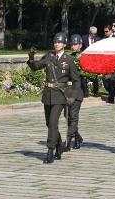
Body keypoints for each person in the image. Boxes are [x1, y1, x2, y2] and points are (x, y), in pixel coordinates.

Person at [27, 32, 80, 164]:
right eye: (55, 42)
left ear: (64, 44)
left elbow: (76, 80)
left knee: (52, 123)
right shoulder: (49, 57)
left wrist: (73, 96)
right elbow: (35, 67)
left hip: (60, 96)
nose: (57, 44)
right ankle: (58, 146)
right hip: (48, 95)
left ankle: (50, 151)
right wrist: (31, 57)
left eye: (59, 42)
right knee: (49, 124)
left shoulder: (69, 60)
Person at [64, 34, 87, 151]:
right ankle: (77, 137)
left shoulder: (84, 58)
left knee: (73, 117)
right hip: (67, 91)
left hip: (77, 91)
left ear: (80, 45)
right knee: (67, 117)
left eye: (75, 44)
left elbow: (87, 73)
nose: (73, 46)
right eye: (72, 44)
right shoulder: (67, 58)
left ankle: (68, 142)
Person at [81, 26, 100, 96]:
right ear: (89, 32)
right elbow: (81, 49)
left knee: (95, 76)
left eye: (95, 34)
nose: (93, 35)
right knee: (84, 76)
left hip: (95, 60)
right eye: (92, 33)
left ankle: (96, 91)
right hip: (86, 59)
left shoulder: (98, 39)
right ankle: (85, 92)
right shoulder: (84, 38)